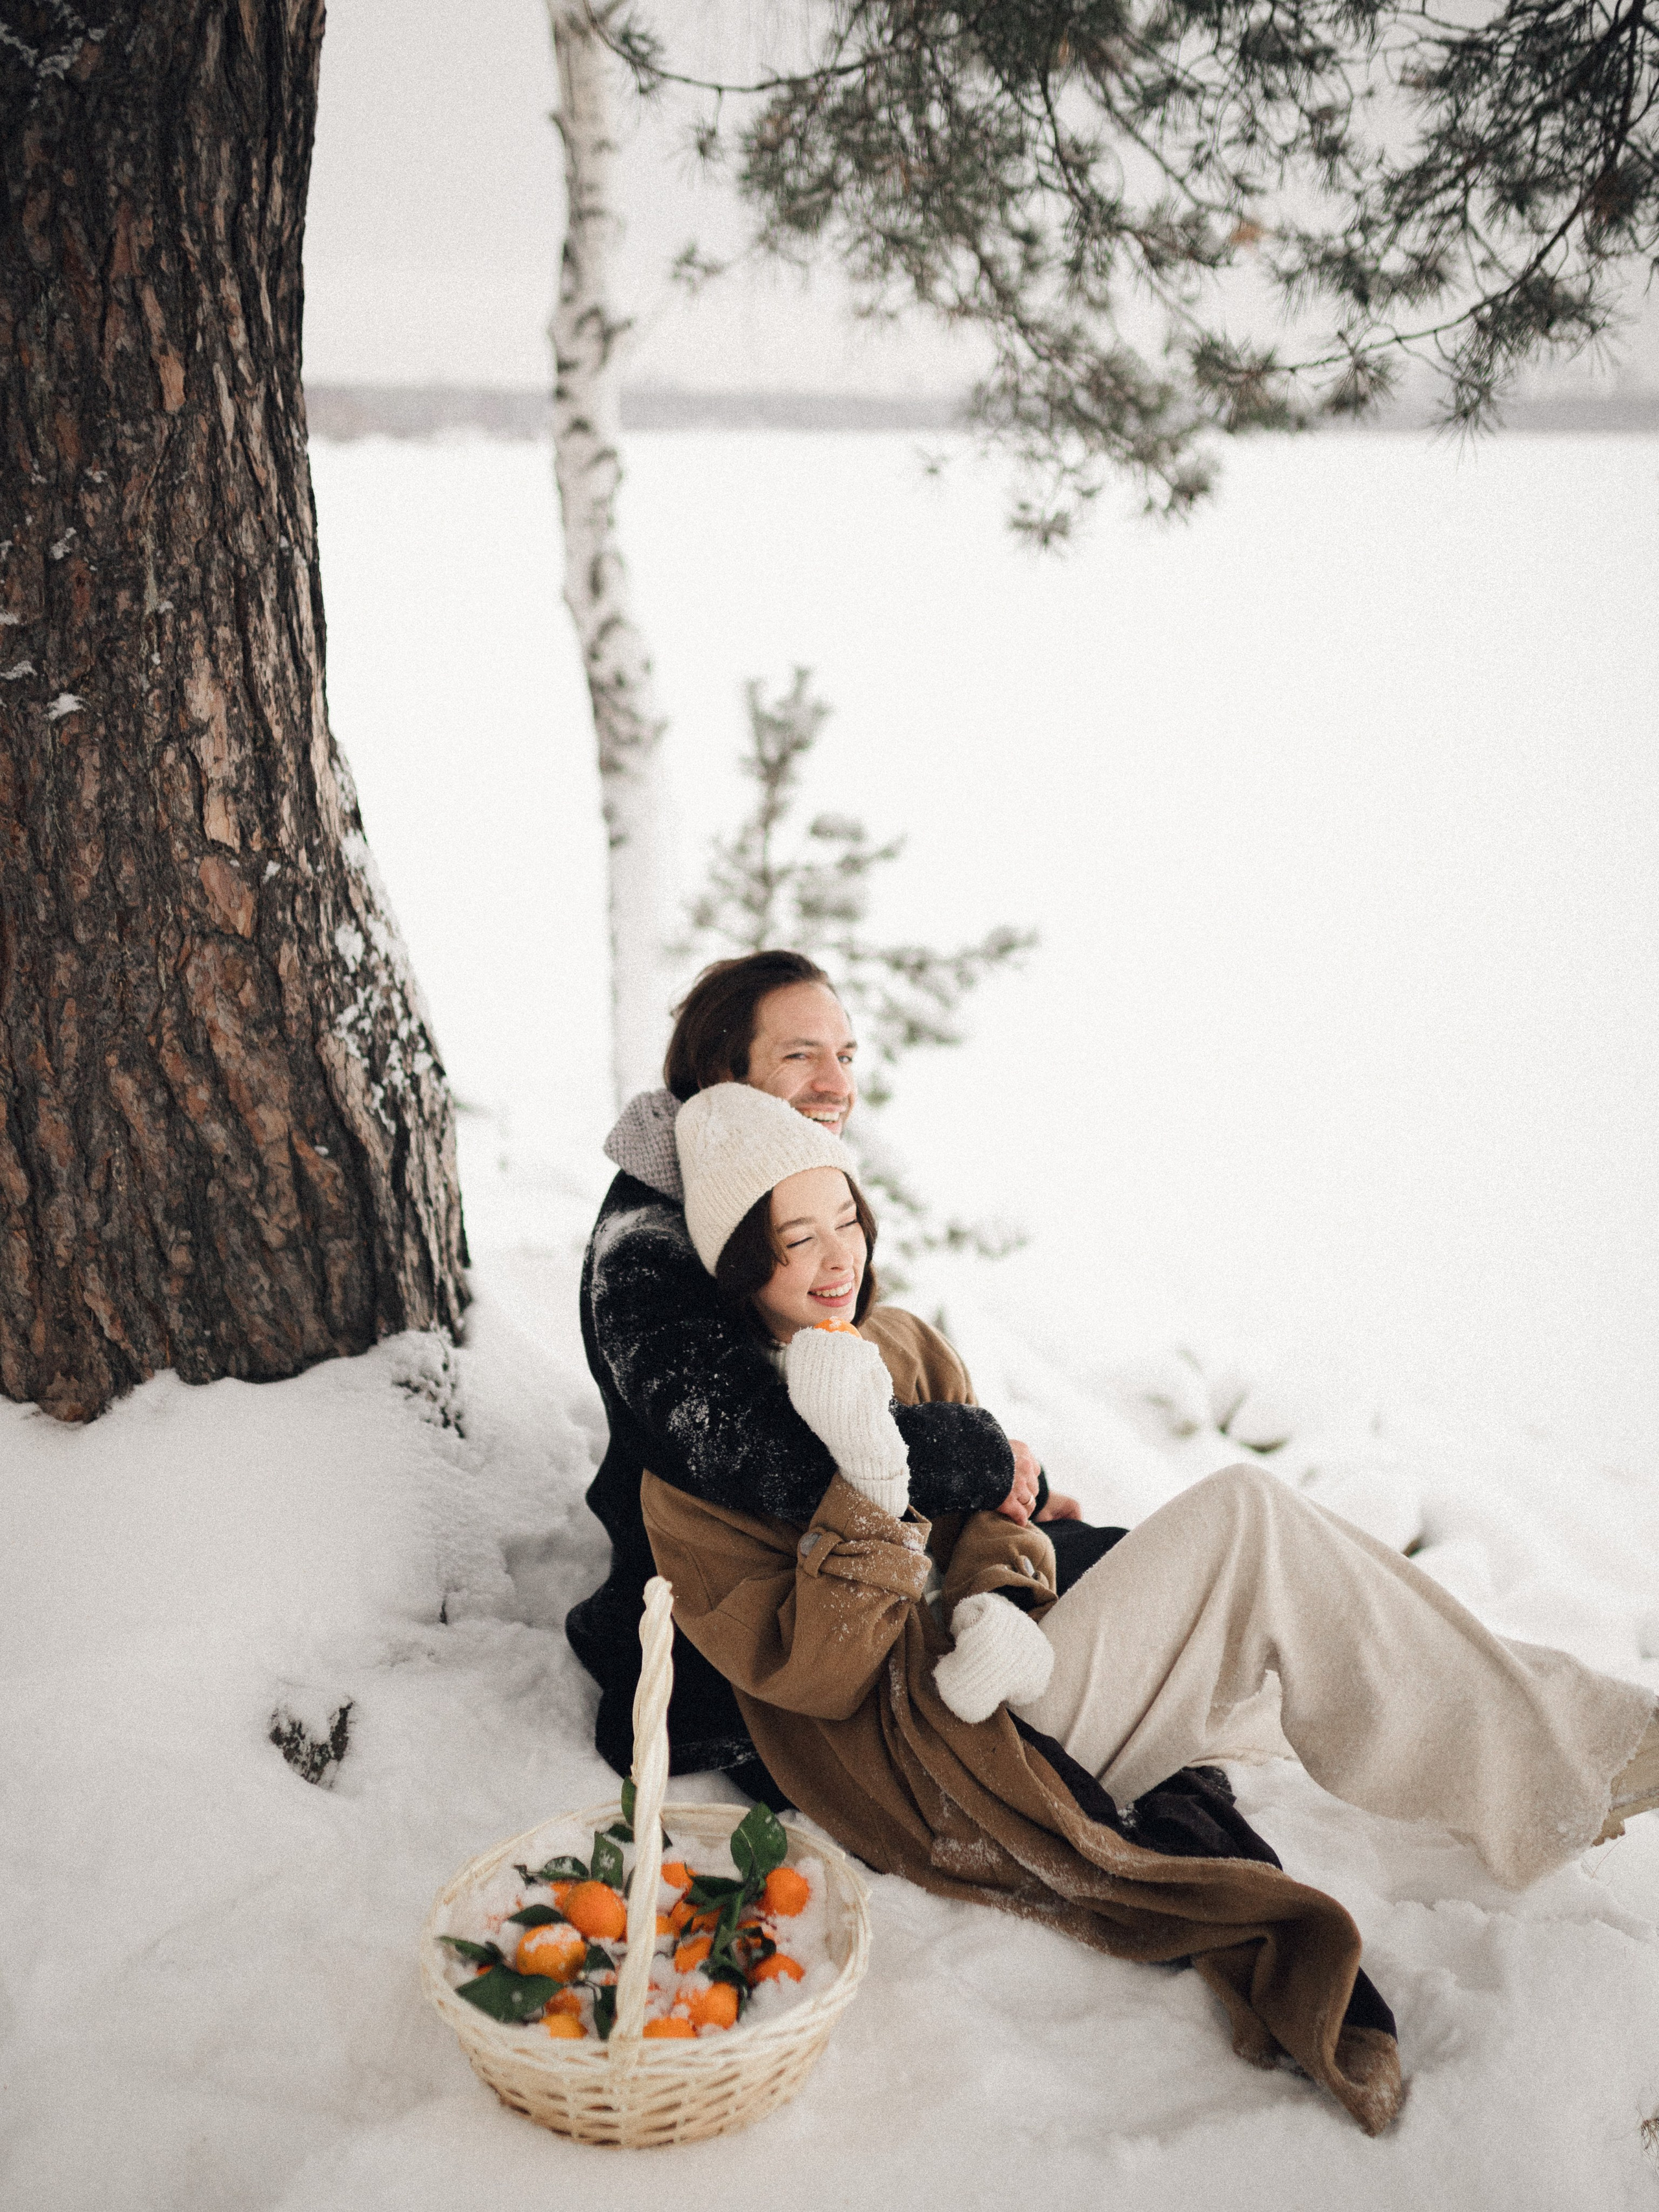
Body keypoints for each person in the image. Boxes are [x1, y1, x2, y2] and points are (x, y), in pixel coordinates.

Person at [638, 1080, 1659, 2133]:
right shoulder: (690, 1484)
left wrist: (1004, 1606)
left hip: (1008, 1684)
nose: (836, 1256)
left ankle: (1559, 1751)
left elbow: (1002, 1510)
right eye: (796, 1238)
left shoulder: (900, 1342)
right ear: (738, 1265)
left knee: (1261, 1535)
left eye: (844, 1216)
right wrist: (867, 1477)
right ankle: (1568, 1757)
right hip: (937, 1774)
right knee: (1249, 1519)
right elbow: (813, 1677)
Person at [568, 949, 1119, 1790]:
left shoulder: (779, 1177)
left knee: (1099, 1556)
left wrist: (1015, 1490)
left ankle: (1009, 1586)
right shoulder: (648, 1250)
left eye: (846, 1055)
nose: (837, 1084)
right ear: (723, 1070)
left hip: (861, 1547)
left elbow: (855, 1370)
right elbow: (782, 1459)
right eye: (800, 1055)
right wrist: (982, 1459)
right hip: (750, 1620)